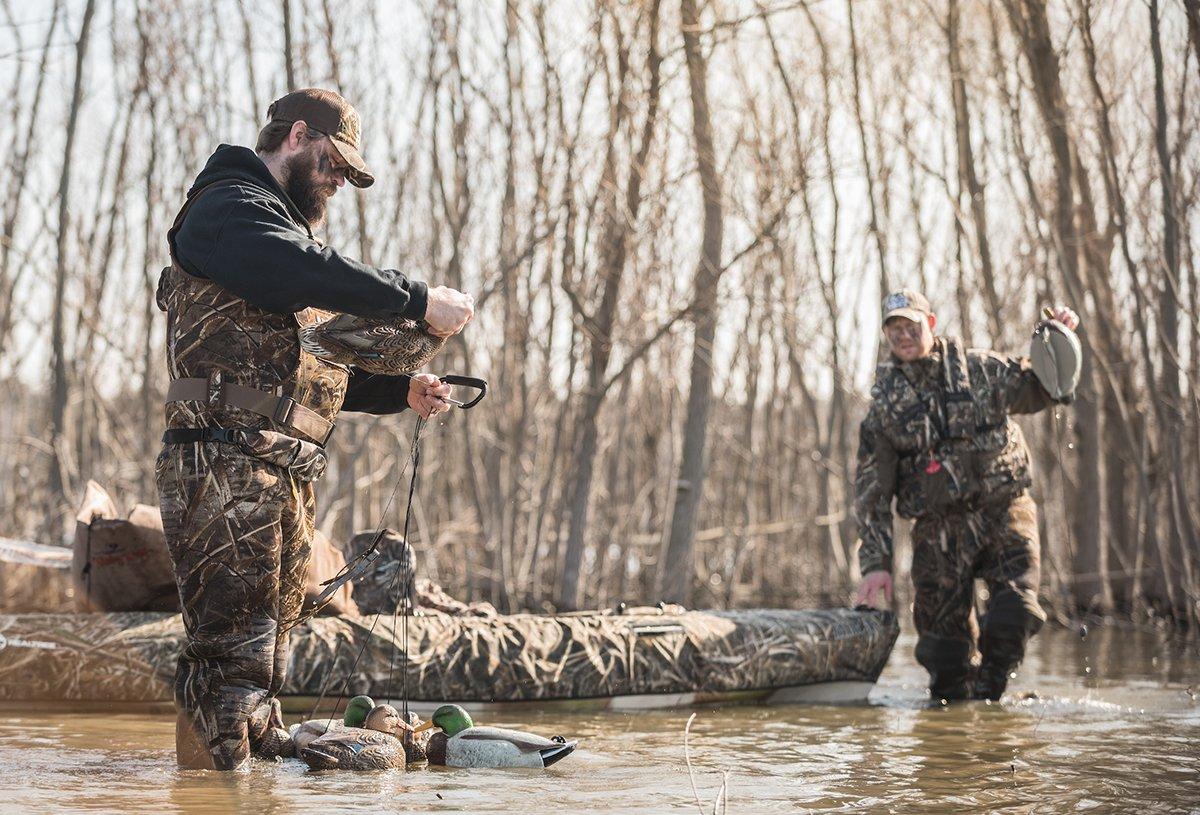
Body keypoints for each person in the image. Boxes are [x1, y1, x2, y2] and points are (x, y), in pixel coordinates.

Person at [155, 88, 474, 769]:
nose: (337, 181)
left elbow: (304, 366)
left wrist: (401, 391)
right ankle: (214, 794)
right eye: (333, 164)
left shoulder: (274, 235)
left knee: (269, 662)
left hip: (275, 469)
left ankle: (248, 776)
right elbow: (296, 269)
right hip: (223, 467)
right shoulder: (227, 209)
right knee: (232, 665)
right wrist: (416, 298)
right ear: (298, 135)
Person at [853, 289, 1080, 702]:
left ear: (932, 324)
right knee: (944, 658)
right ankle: (955, 727)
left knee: (1014, 614)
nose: (904, 336)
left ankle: (992, 695)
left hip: (1005, 512)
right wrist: (875, 564)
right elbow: (872, 490)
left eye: (912, 326)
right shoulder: (883, 408)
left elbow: (1045, 386)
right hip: (938, 530)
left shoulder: (981, 370)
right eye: (894, 331)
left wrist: (1058, 335)